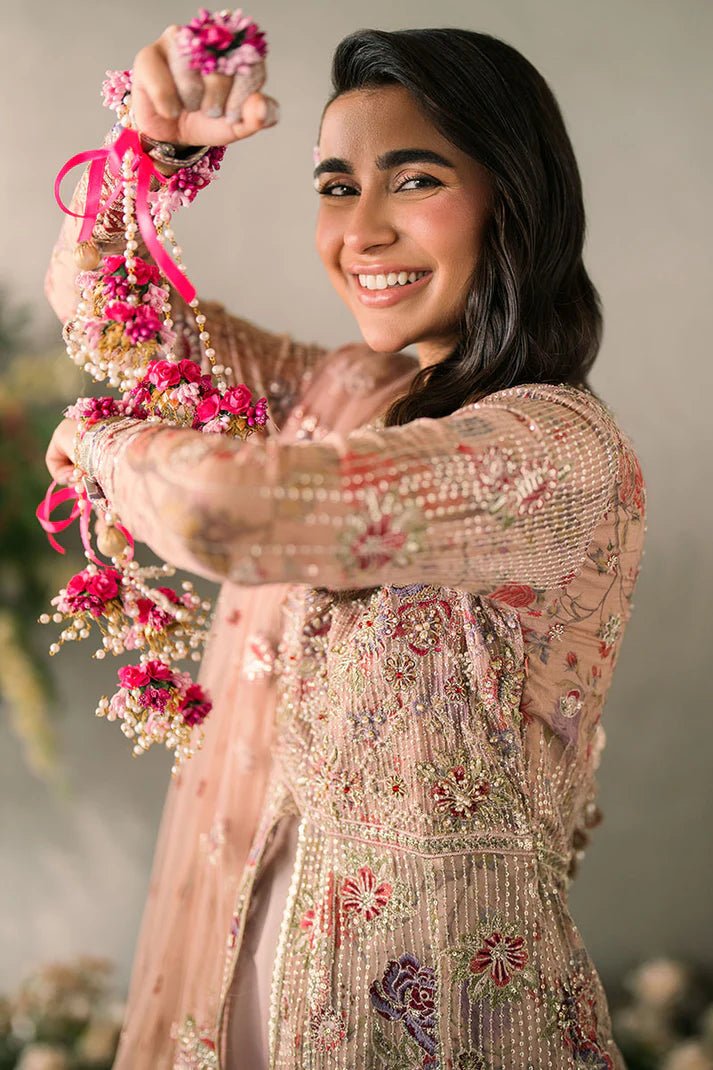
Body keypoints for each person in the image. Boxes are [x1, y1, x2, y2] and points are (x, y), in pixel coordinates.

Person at [44, 19, 647, 1070]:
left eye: (412, 181)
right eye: (334, 185)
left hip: (439, 1014)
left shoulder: (549, 452)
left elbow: (231, 510)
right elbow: (112, 316)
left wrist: (102, 440)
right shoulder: (347, 391)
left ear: (515, 195)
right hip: (252, 955)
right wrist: (154, 146)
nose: (360, 232)